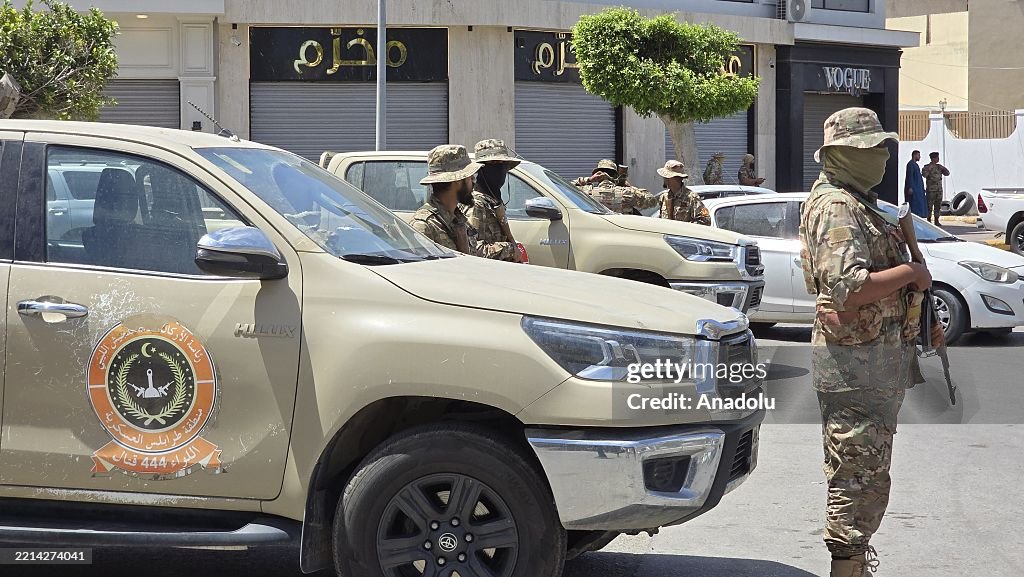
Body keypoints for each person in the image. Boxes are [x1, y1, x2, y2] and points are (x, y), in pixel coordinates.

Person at [799, 107, 939, 577]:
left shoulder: (859, 202)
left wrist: (920, 317)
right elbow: (849, 287)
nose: (881, 156)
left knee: (867, 474)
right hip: (854, 366)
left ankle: (855, 563)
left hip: (872, 362)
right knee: (856, 478)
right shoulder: (836, 206)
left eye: (882, 147)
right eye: (870, 148)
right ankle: (847, 567)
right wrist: (912, 271)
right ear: (841, 153)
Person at [412, 144, 480, 254]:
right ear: (457, 180)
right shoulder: (424, 226)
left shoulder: (460, 220)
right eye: (469, 176)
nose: (473, 181)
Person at [463, 139, 521, 262]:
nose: (500, 170)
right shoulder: (476, 205)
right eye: (494, 164)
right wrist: (510, 249)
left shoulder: (493, 201)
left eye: (502, 164)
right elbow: (472, 249)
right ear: (482, 169)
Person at [573, 159, 659, 215]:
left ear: (596, 175)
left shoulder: (585, 192)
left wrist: (588, 180)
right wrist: (629, 187)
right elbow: (652, 201)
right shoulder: (627, 193)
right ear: (615, 176)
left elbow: (565, 189)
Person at [657, 160, 710, 225]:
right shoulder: (664, 197)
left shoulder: (692, 198)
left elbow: (706, 220)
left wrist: (685, 227)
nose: (664, 179)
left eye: (666, 177)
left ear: (673, 178)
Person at [921, 151, 950, 226]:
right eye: (937, 158)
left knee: (938, 206)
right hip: (931, 191)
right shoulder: (926, 167)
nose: (938, 159)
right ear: (933, 158)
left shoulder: (939, 167)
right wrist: (929, 168)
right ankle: (928, 220)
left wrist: (943, 169)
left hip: (939, 190)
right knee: (929, 206)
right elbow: (924, 175)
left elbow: (947, 173)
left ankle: (936, 220)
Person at [904, 150, 927, 218]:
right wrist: (910, 187)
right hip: (914, 189)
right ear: (915, 155)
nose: (920, 157)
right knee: (914, 205)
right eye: (918, 155)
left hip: (918, 189)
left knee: (920, 205)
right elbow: (909, 176)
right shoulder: (910, 164)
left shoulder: (916, 165)